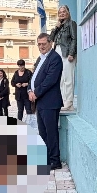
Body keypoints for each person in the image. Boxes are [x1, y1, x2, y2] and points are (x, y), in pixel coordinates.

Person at [29, 34, 63, 170]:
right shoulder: (40, 59)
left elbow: (50, 80)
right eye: (39, 44)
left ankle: (55, 161)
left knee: (51, 133)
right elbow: (33, 77)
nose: (41, 46)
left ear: (50, 43)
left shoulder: (55, 58)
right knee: (43, 132)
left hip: (50, 102)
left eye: (43, 43)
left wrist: (35, 92)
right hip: (40, 102)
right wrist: (29, 90)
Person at [49, 4, 78, 112]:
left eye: (64, 11)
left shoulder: (71, 23)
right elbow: (50, 40)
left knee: (68, 79)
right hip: (57, 53)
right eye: (60, 12)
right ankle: (62, 102)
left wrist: (72, 53)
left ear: (68, 13)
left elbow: (74, 39)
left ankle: (69, 103)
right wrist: (56, 27)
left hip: (67, 53)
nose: (61, 13)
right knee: (60, 79)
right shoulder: (58, 27)